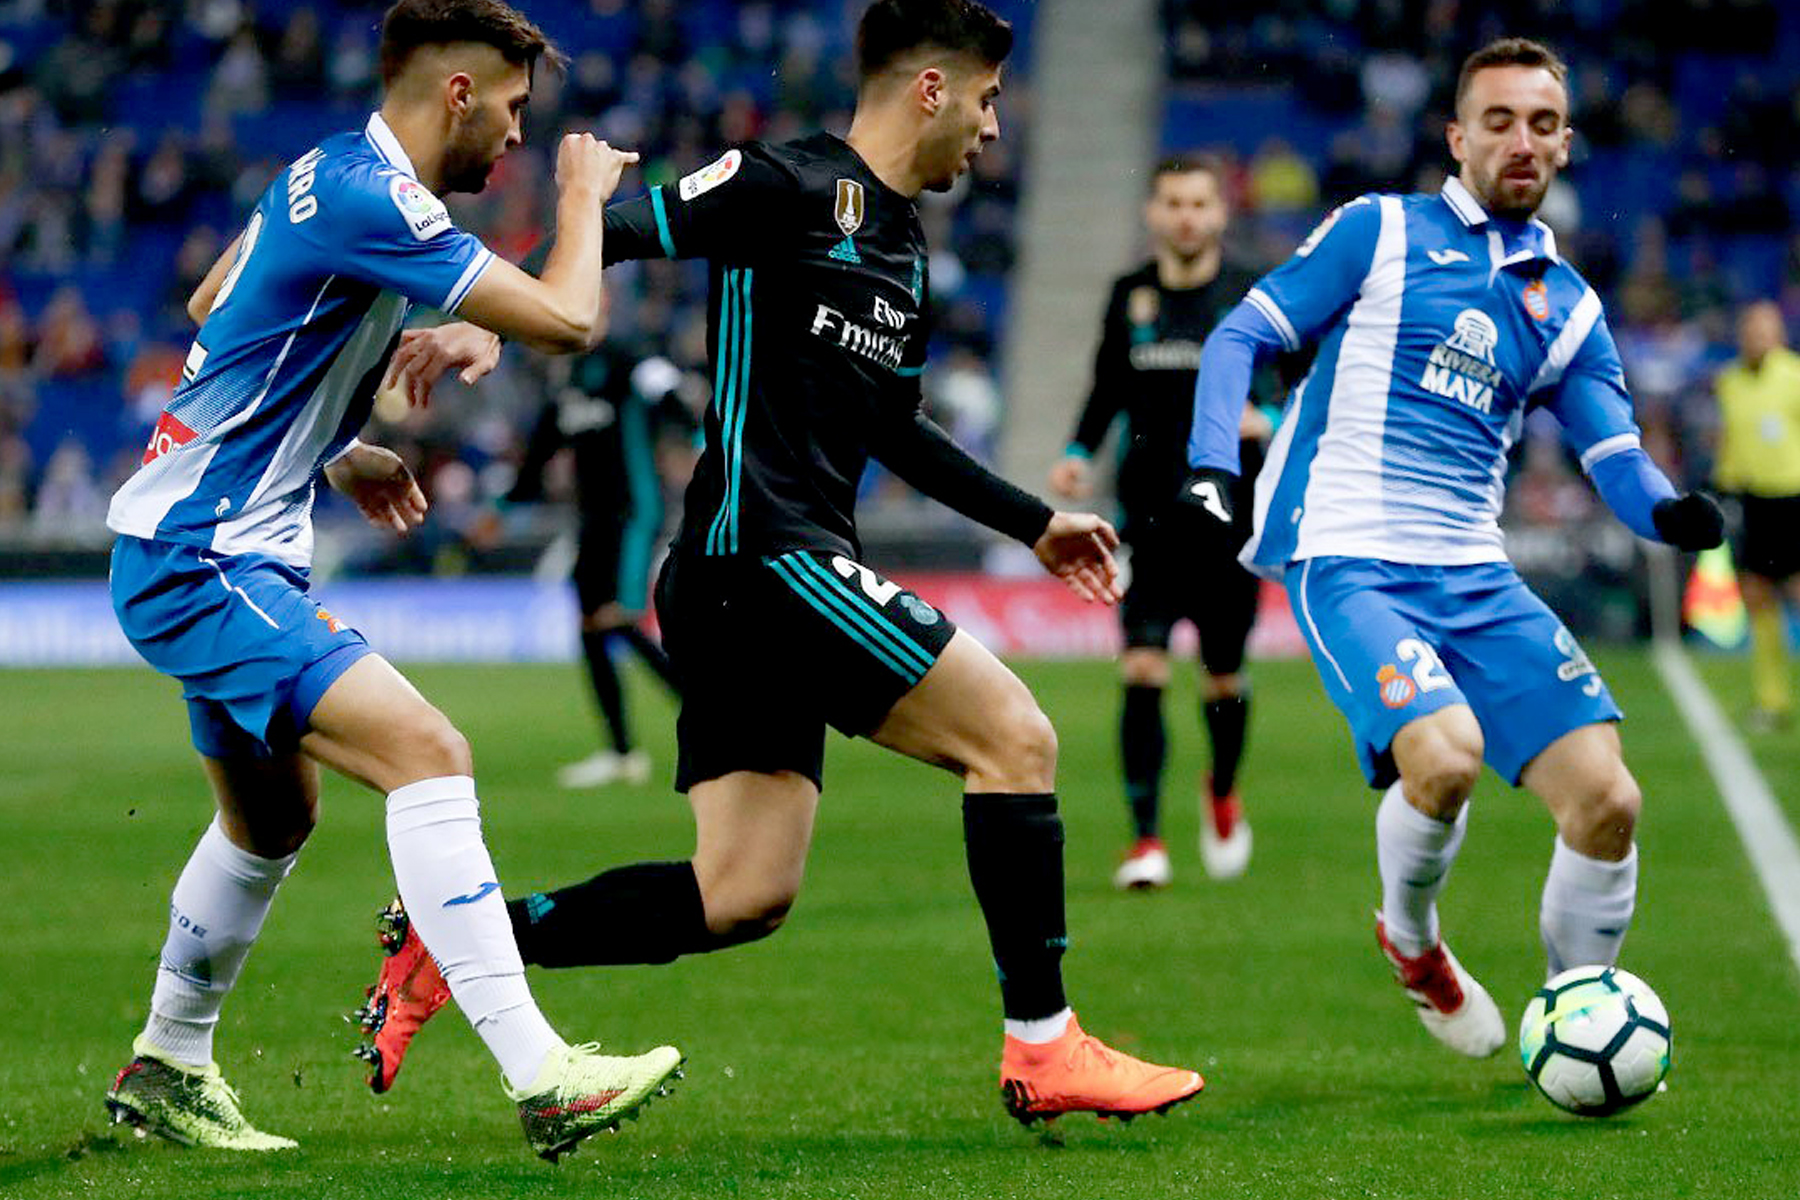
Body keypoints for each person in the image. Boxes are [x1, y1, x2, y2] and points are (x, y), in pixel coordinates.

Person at [357, 0, 1204, 1126]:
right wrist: (487, 321)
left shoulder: (902, 239)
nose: (996, 131)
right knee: (1017, 738)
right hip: (759, 556)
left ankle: (460, 944)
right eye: (989, 101)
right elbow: (622, 226)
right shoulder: (786, 180)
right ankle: (1045, 1047)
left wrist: (1033, 523)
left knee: (742, 894)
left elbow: (893, 428)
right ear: (931, 90)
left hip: (757, 574)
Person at [101, 0, 683, 1161]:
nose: (519, 137)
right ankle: (542, 1071)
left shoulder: (324, 170)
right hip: (207, 556)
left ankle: (166, 1063)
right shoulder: (380, 198)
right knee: (429, 752)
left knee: (272, 820)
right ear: (457, 92)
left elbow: (215, 303)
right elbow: (567, 317)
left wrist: (336, 447)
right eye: (514, 111)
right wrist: (580, 197)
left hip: (197, 543)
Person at [1181, 38, 1723, 1059]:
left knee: (1610, 801)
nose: (1523, 140)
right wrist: (1214, 464)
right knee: (1447, 755)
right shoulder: (1380, 231)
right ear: (1457, 135)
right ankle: (1413, 939)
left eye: (1545, 123)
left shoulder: (1567, 306)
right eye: (1501, 120)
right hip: (1349, 556)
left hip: (1474, 572)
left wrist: (1676, 514)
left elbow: (1615, 457)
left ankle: (1575, 1011)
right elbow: (1238, 338)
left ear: (1568, 145)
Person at [1048, 154, 1272, 889]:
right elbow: (1108, 382)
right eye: (1173, 203)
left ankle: (1222, 788)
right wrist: (1079, 450)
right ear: (1153, 213)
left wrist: (1263, 417)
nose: (1185, 216)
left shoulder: (1248, 298)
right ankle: (1146, 841)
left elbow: (1295, 390)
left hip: (1227, 522)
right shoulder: (1130, 296)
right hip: (1144, 520)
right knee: (1141, 668)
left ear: (1219, 214)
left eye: (1198, 204)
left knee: (1221, 677)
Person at [504, 324, 696, 788]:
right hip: (591, 522)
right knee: (593, 626)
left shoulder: (628, 358)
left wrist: (701, 444)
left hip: (635, 512)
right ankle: (621, 752)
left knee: (618, 617)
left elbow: (674, 397)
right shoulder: (566, 382)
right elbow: (541, 453)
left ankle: (713, 720)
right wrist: (503, 508)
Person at [1712, 300, 1800, 731]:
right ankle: (1772, 699)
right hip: (1753, 502)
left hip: (1793, 497)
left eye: (1765, 329)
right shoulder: (1728, 381)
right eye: (1750, 329)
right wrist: (1722, 484)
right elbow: (1729, 439)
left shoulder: (1795, 377)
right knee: (1758, 597)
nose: (1757, 337)